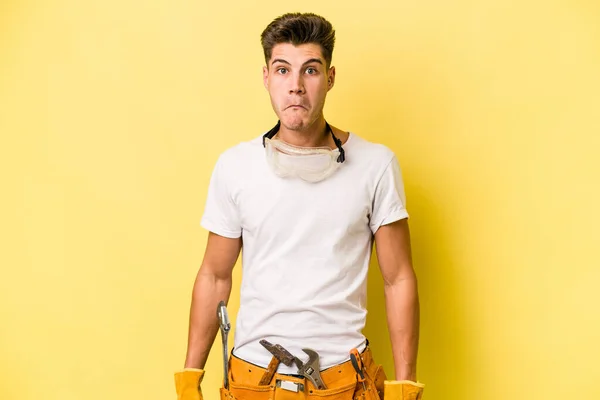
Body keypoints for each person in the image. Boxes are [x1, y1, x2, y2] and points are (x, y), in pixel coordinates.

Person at [174, 12, 425, 400]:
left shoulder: (375, 165)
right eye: (282, 70)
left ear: (330, 77)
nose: (295, 86)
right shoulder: (236, 166)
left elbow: (398, 279)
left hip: (344, 380)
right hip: (252, 380)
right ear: (266, 77)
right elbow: (214, 276)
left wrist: (404, 384)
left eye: (310, 70)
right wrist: (191, 375)